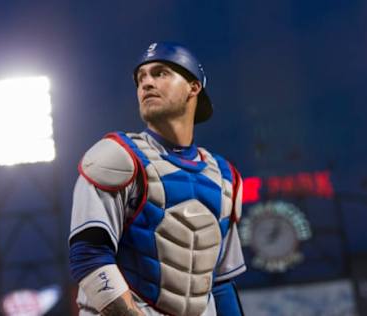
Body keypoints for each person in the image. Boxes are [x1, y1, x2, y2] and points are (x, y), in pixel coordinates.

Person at [69, 42, 246, 316]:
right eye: (142, 78)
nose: (146, 84)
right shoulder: (117, 157)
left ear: (193, 87)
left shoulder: (225, 179)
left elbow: (221, 283)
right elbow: (89, 255)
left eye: (160, 73)